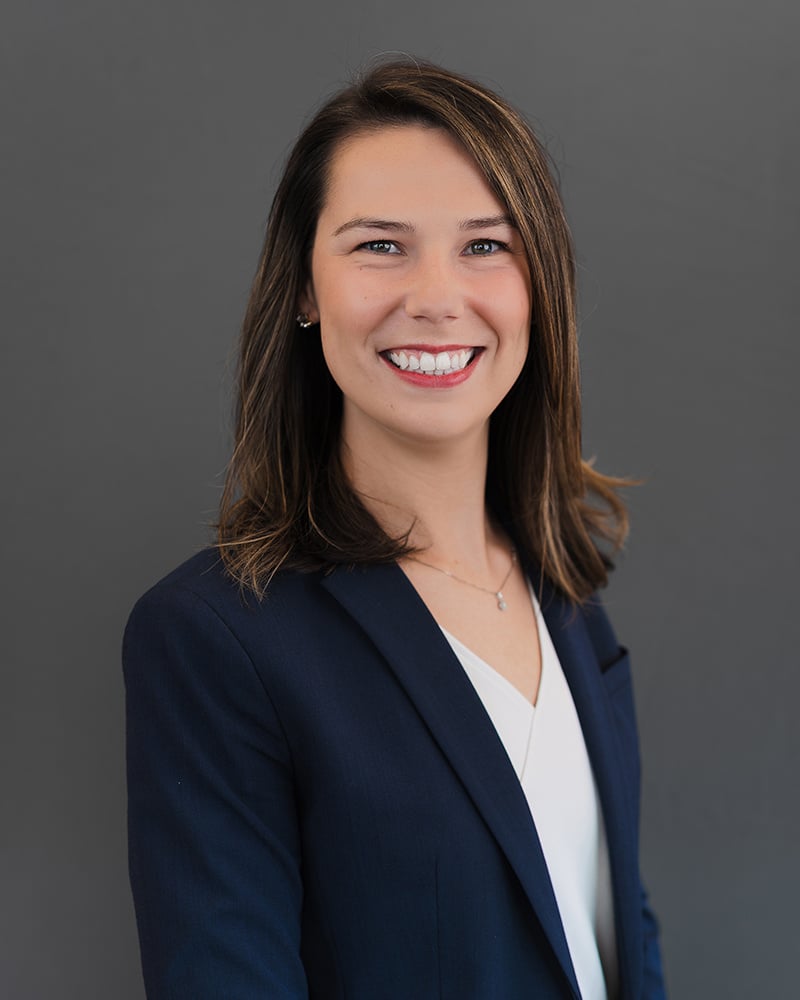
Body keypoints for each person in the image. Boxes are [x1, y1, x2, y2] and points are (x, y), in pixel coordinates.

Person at [123, 59, 667, 999]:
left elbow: (620, 938)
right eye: (380, 246)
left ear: (540, 286)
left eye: (486, 247)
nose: (435, 296)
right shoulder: (215, 638)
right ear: (303, 287)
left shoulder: (571, 599)